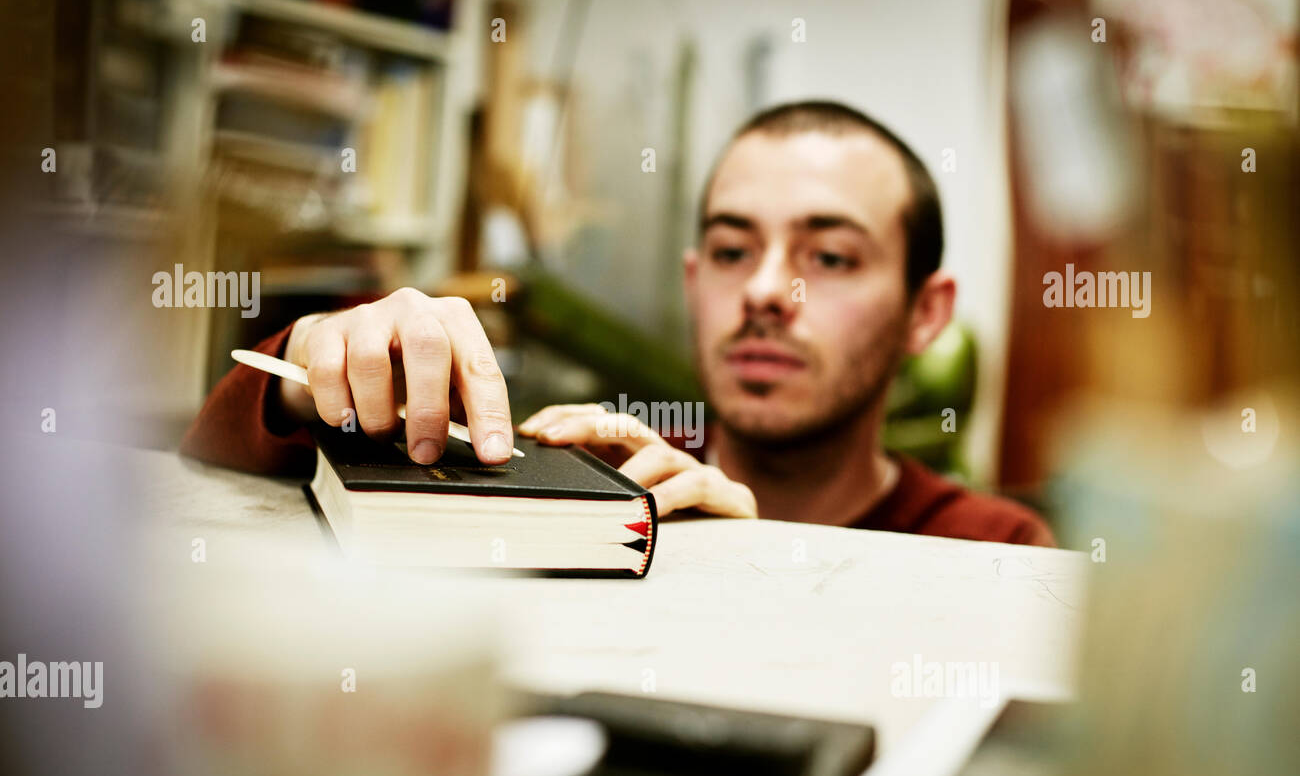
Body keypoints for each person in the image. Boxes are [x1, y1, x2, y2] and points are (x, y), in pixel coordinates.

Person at [181, 100, 1053, 547]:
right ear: (692, 281)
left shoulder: (991, 548)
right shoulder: (592, 493)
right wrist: (303, 370)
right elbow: (214, 509)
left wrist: (749, 578)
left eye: (829, 258)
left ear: (925, 313)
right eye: (729, 249)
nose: (763, 292)